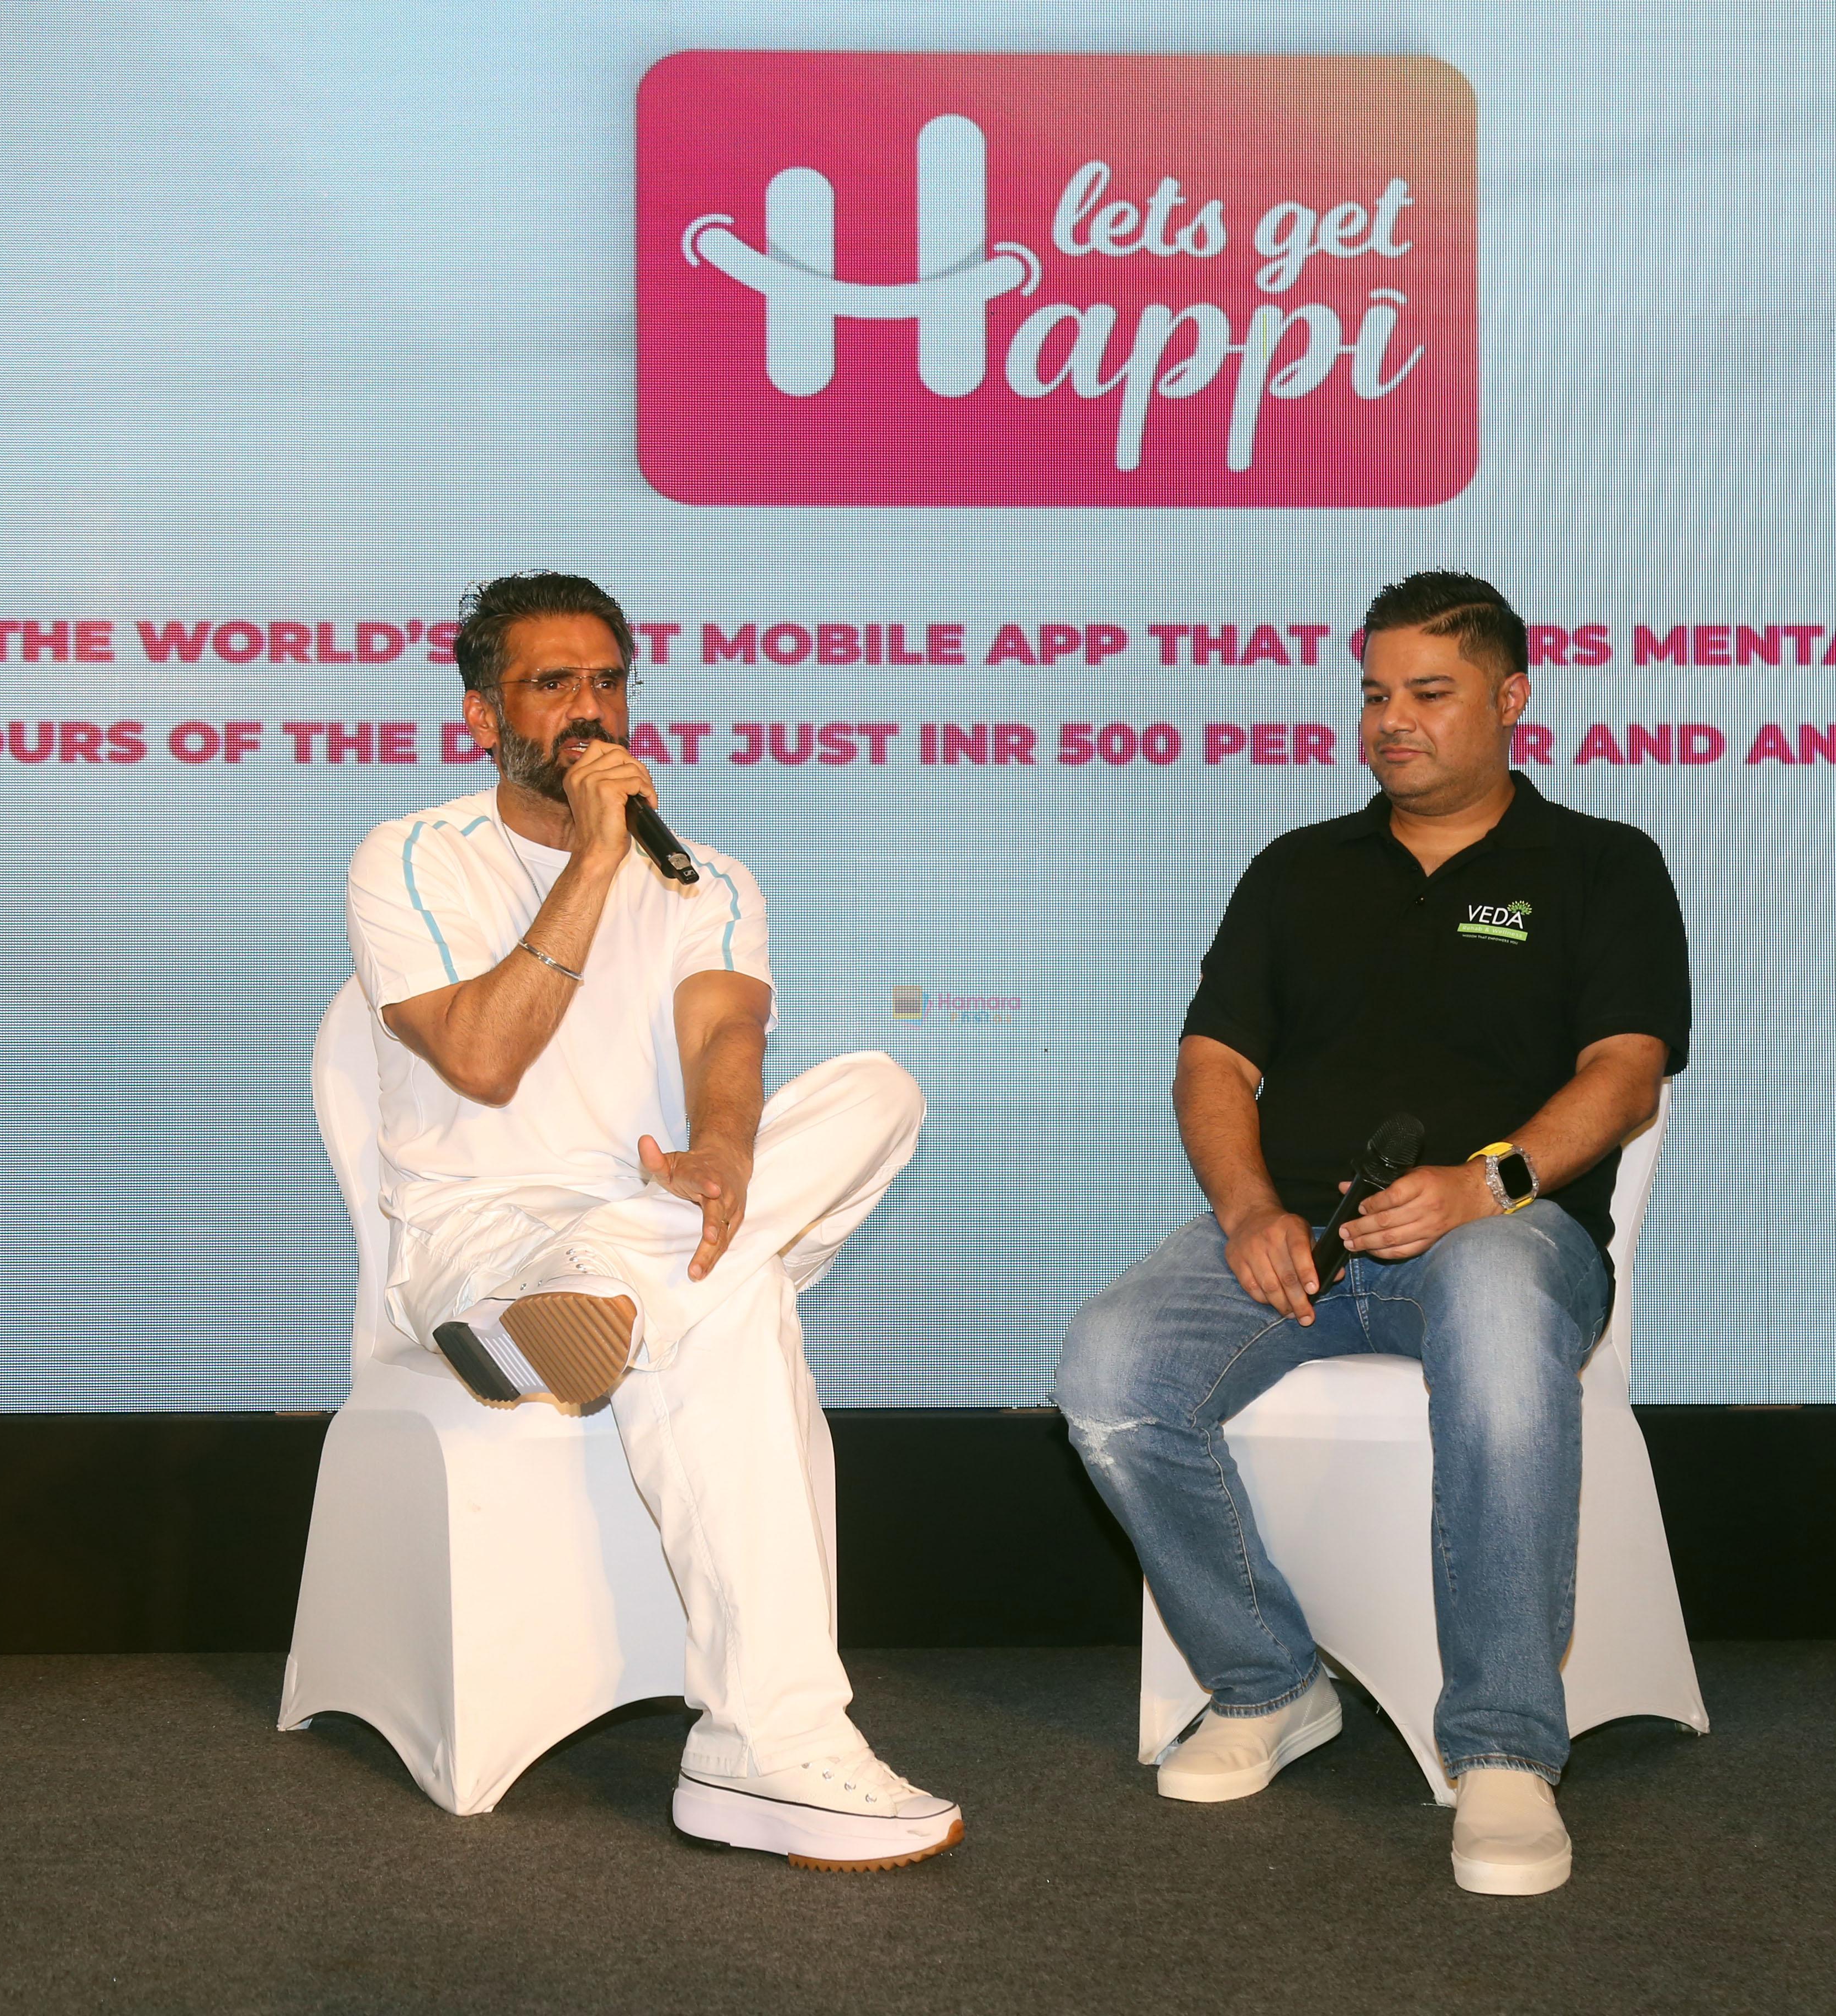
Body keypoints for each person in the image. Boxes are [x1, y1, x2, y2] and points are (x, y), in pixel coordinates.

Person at [1055, 570, 1689, 1896]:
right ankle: (1267, 1681)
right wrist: (1247, 1212)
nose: (1391, 721)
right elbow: (1213, 1066)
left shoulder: (1600, 865)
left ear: (1511, 700)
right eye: (1375, 694)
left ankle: (1507, 1747)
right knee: (1110, 1373)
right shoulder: (1300, 872)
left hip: (1503, 1238)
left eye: (1429, 694)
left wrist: (1487, 1182)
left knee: (1504, 1326)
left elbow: (1625, 1073)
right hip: (1304, 1245)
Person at [342, 570, 961, 1871]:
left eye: (607, 682)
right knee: (734, 1299)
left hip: (646, 1217)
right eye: (550, 683)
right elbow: (488, 1058)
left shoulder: (707, 876)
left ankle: (617, 1294)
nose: (587, 709)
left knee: (875, 1093)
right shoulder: (412, 858)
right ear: (479, 714)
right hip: (486, 1244)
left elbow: (726, 1033)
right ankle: (764, 1744)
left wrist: (725, 1156)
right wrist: (596, 858)